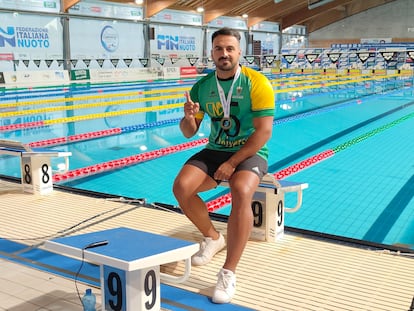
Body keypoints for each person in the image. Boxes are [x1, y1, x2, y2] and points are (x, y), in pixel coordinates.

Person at [173, 27, 275, 304]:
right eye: (219, 49)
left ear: (239, 52)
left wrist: (232, 163)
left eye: (229, 48)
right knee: (182, 188)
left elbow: (263, 133)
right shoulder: (203, 87)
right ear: (212, 53)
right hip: (215, 150)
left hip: (249, 152)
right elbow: (188, 132)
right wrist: (189, 117)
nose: (224, 54)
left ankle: (228, 272)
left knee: (241, 191)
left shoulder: (257, 83)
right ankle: (213, 236)